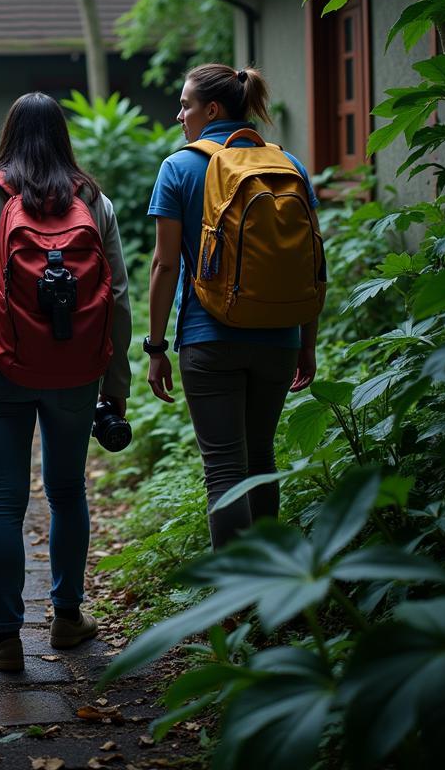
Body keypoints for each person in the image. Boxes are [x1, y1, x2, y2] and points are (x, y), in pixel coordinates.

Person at [0, 92, 132, 673]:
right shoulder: (93, 201)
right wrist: (114, 379)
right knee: (68, 491)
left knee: (4, 499)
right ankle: (68, 619)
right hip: (76, 369)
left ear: (8, 134)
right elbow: (118, 297)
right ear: (63, 136)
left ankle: (5, 637)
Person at [146, 63, 320, 550]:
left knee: (224, 469)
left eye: (186, 105)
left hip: (210, 335)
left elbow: (164, 265)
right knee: (261, 461)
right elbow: (309, 261)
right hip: (281, 334)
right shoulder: (289, 165)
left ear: (212, 109)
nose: (180, 115)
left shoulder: (178, 167)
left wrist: (156, 347)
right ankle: (271, 590)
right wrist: (307, 343)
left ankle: (236, 602)